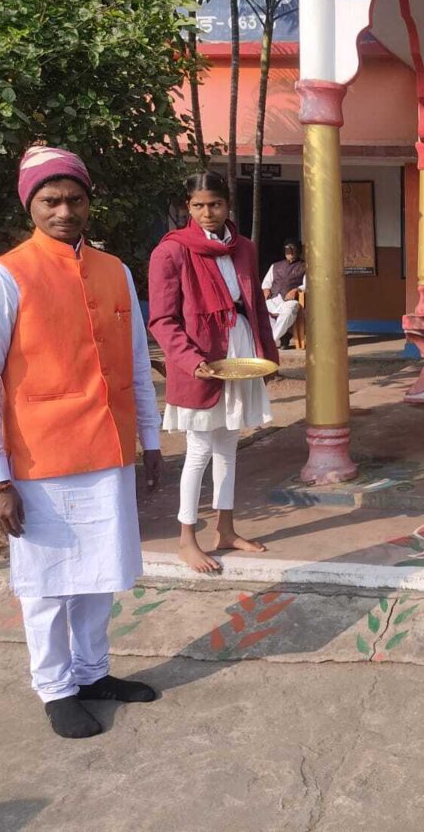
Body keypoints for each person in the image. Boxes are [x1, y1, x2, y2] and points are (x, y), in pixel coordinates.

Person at [0, 146, 163, 739]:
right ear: (30, 205)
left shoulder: (115, 269)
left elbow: (134, 363)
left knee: (101, 573)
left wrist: (150, 439)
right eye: (50, 200)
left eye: (75, 199)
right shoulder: (3, 277)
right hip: (39, 460)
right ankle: (55, 688)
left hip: (109, 453)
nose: (64, 211)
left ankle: (92, 672)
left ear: (88, 202)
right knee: (48, 583)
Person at [149, 172, 278, 573]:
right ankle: (186, 539)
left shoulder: (244, 248)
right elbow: (163, 320)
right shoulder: (171, 252)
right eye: (199, 206)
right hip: (200, 358)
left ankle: (226, 529)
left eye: (215, 204)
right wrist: (191, 361)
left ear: (228, 205)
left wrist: (268, 354)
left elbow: (255, 305)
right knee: (200, 449)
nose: (208, 213)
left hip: (239, 349)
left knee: (228, 446)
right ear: (188, 207)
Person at [262, 239, 306, 346]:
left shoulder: (304, 266)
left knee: (288, 312)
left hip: (290, 300)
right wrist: (266, 289)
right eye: (287, 249)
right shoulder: (275, 266)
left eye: (292, 249)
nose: (290, 252)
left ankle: (271, 341)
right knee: (260, 310)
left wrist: (296, 290)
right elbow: (266, 283)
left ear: (298, 250)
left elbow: (307, 284)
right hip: (273, 298)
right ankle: (283, 335)